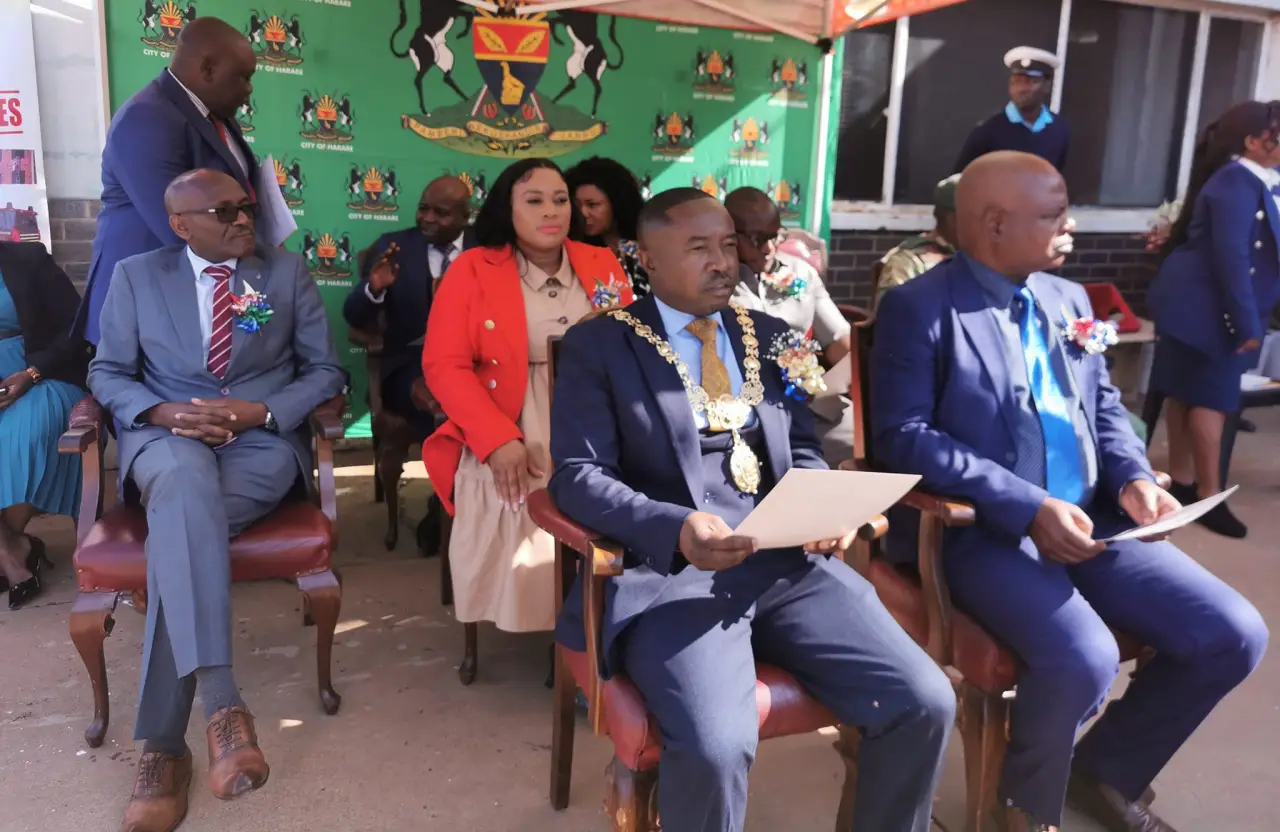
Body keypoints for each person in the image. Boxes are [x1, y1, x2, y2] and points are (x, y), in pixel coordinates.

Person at [873, 151, 1267, 832]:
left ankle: (1103, 773)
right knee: (1084, 655)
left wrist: (1136, 478)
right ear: (995, 223)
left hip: (1096, 523)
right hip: (983, 534)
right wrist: (1023, 505)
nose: (1072, 225)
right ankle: (1024, 808)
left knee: (1232, 633)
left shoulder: (1068, 298)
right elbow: (904, 437)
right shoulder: (921, 309)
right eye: (1054, 213)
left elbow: (1105, 406)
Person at [548, 187, 954, 832]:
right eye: (698, 248)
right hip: (672, 578)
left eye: (727, 245)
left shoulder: (770, 335)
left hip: (786, 563)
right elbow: (577, 477)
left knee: (925, 698)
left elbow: (800, 445)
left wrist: (822, 501)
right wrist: (673, 526)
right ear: (645, 259)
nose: (722, 262)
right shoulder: (600, 346)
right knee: (714, 745)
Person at [88, 169, 345, 832]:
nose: (242, 220)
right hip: (167, 442)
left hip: (257, 448)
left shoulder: (282, 274)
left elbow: (325, 370)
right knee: (181, 484)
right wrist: (165, 412)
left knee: (182, 523)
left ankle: (165, 753)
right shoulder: (138, 277)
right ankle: (222, 707)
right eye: (223, 211)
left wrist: (260, 410)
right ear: (182, 224)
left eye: (246, 207)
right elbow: (108, 372)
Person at [421, 158, 633, 644]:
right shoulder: (474, 268)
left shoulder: (599, 261)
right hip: (509, 414)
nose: (551, 211)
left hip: (596, 413)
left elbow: (631, 341)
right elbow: (444, 366)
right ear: (507, 209)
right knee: (526, 472)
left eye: (560, 199)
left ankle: (604, 626)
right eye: (533, 201)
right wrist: (496, 440)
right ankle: (561, 634)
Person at [77, 17, 259, 345]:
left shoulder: (216, 115)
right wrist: (267, 272)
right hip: (147, 316)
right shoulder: (146, 119)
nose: (249, 89)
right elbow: (180, 230)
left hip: (201, 303)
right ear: (207, 68)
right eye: (243, 77)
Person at [1146, 100, 1280, 539]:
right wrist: (1245, 323)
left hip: (1200, 304)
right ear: (1254, 142)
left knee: (1187, 396)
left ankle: (1184, 485)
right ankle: (1208, 495)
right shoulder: (1235, 184)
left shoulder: (1255, 179)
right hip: (1204, 310)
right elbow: (1232, 259)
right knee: (1211, 402)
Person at [725, 187, 854, 466]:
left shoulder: (802, 273)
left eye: (775, 236)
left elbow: (839, 339)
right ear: (730, 235)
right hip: (748, 406)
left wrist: (861, 360)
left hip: (812, 401)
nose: (769, 248)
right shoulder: (718, 280)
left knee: (872, 439)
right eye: (758, 238)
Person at [343, 176, 474, 443]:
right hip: (410, 365)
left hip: (477, 363)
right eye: (423, 208)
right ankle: (448, 482)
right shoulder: (394, 247)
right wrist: (374, 288)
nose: (428, 218)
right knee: (442, 402)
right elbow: (354, 316)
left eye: (441, 213)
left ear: (465, 217)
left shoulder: (486, 248)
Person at [0, 242, 90, 609]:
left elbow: (76, 328)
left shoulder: (27, 259)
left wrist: (32, 373)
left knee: (29, 434)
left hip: (40, 376)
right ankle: (11, 552)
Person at [955, 47, 1069, 174]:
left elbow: (1056, 179)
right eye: (1016, 81)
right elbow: (961, 181)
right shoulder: (988, 131)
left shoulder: (1059, 129)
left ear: (1047, 86)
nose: (1022, 89)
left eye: (1031, 82)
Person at [565, 156, 650, 296]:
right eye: (576, 205)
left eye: (592, 204)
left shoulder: (649, 247)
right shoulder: (571, 251)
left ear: (618, 203)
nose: (583, 213)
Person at [875, 174, 960, 310]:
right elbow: (893, 317)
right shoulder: (908, 261)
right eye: (977, 216)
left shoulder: (980, 258)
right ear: (952, 219)